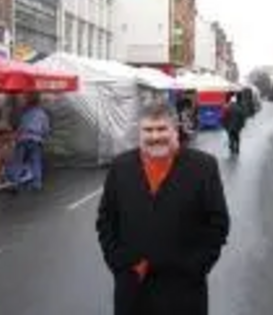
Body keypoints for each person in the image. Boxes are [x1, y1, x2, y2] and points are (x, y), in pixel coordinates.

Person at [96, 102, 230, 315]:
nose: (155, 136)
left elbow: (218, 223)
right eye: (148, 130)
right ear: (139, 132)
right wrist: (119, 265)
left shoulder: (203, 166)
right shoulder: (121, 166)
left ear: (175, 129)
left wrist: (196, 267)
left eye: (161, 129)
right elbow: (106, 220)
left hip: (184, 290)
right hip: (133, 288)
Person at [10, 93, 50, 191]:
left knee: (18, 162)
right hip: (35, 139)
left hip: (23, 138)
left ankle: (15, 183)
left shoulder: (25, 113)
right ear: (39, 103)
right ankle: (37, 184)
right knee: (35, 161)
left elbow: (20, 127)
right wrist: (44, 136)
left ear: (29, 103)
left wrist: (17, 135)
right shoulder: (42, 114)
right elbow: (46, 129)